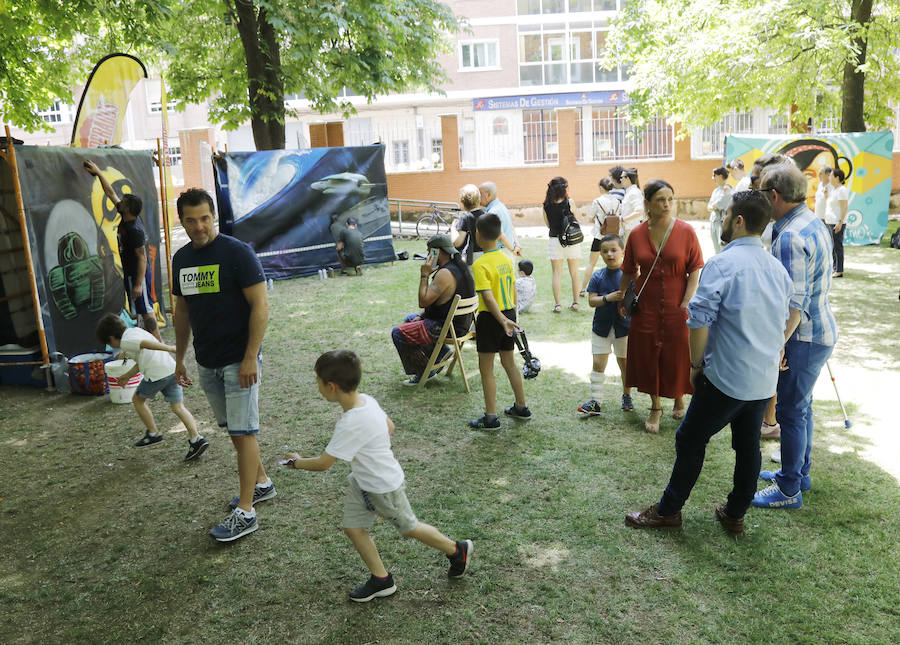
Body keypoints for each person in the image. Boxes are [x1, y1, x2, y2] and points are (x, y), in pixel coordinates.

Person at [625, 191, 793, 536]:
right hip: (762, 379)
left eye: (728, 214)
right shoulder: (776, 267)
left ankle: (669, 510)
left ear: (739, 221)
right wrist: (775, 349)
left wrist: (696, 364)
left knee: (690, 438)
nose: (724, 220)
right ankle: (735, 514)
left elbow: (698, 319)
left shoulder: (722, 264)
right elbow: (791, 313)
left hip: (728, 376)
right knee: (747, 447)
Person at [283, 350, 473, 602]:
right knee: (353, 527)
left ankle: (456, 550)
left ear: (331, 386)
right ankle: (382, 580)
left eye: (317, 382)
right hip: (363, 482)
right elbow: (390, 427)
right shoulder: (366, 400)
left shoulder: (351, 422)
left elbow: (323, 463)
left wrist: (296, 463)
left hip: (384, 487)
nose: (317, 387)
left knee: (410, 528)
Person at [171, 188, 274, 542]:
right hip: (207, 360)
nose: (198, 226)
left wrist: (250, 356)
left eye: (204, 218)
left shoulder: (237, 253)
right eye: (190, 220)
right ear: (181, 220)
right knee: (233, 428)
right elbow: (182, 311)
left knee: (244, 432)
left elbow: (260, 306)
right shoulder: (181, 259)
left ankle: (246, 512)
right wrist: (180, 355)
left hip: (238, 359)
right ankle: (262, 483)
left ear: (213, 216)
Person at [752, 162, 837, 510]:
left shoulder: (788, 236)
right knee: (801, 408)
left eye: (762, 196)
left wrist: (778, 344)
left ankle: (789, 489)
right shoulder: (812, 220)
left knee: (789, 411)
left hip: (803, 336)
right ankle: (799, 473)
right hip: (818, 332)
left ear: (774, 196)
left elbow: (793, 304)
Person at [619, 180, 704, 432]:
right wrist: (623, 297)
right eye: (660, 200)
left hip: (678, 303)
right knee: (647, 354)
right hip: (646, 305)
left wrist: (686, 301)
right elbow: (628, 271)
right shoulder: (636, 234)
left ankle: (679, 395)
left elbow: (695, 269)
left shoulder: (686, 231)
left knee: (677, 353)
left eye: (670, 198)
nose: (666, 204)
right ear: (647, 203)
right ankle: (656, 406)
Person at [95, 313, 207, 459]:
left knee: (138, 400)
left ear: (111, 338)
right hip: (171, 370)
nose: (111, 347)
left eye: (109, 344)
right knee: (178, 407)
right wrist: (126, 376)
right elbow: (142, 359)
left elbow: (144, 344)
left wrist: (170, 348)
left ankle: (153, 433)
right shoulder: (135, 331)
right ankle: (196, 439)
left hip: (156, 375)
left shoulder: (127, 341)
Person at [83, 160, 162, 341]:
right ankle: (148, 342)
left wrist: (138, 284)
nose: (120, 200)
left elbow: (142, 258)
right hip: (131, 273)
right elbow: (110, 193)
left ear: (127, 209)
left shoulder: (134, 230)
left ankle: (161, 345)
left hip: (138, 274)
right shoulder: (126, 217)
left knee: (146, 311)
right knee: (139, 311)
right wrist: (97, 172)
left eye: (123, 201)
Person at [469, 212, 531, 429]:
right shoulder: (506, 258)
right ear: (499, 234)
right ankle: (521, 407)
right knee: (509, 363)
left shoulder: (480, 264)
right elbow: (512, 288)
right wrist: (512, 316)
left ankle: (491, 417)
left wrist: (502, 320)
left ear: (478, 234)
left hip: (491, 319)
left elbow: (487, 296)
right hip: (509, 315)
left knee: (486, 370)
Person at [391, 234, 475, 385]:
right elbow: (441, 304)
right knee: (409, 320)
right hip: (460, 325)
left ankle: (424, 372)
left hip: (447, 328)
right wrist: (422, 316)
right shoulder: (459, 267)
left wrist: (424, 275)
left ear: (437, 252)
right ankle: (441, 351)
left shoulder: (444, 274)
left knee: (398, 333)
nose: (428, 255)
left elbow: (423, 301)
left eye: (429, 251)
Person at [578, 234, 632, 416]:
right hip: (601, 328)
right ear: (600, 254)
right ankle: (596, 401)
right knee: (598, 363)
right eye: (605, 251)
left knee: (624, 363)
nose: (610, 254)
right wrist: (608, 298)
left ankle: (627, 396)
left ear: (623, 252)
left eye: (614, 250)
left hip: (624, 328)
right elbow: (592, 301)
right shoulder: (598, 276)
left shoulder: (630, 275)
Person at [543, 176, 582, 313]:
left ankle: (558, 305)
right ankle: (576, 302)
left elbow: (548, 225)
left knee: (556, 273)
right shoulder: (569, 202)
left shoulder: (546, 205)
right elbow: (576, 219)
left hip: (555, 240)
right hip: (571, 240)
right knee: (574, 272)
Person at [579, 177, 622, 296]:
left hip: (600, 235)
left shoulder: (597, 201)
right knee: (615, 262)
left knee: (591, 263)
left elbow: (590, 218)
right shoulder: (617, 201)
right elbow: (618, 216)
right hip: (613, 236)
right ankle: (617, 286)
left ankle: (583, 289)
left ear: (601, 188)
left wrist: (598, 221)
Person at [455, 184, 516, 265]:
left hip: (473, 257)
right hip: (488, 254)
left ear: (462, 201)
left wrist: (453, 228)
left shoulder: (465, 217)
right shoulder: (487, 214)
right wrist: (513, 248)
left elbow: (457, 242)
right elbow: (503, 234)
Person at [479, 181, 522, 256]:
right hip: (508, 249)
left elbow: (500, 235)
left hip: (502, 252)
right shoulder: (501, 206)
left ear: (488, 194)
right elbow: (511, 227)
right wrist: (516, 245)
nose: (478, 197)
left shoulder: (493, 212)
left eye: (480, 194)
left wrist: (513, 250)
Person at [825, 168, 849, 278]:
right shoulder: (834, 189)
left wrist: (840, 222)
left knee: (837, 246)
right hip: (830, 221)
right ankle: (835, 268)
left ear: (837, 178)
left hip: (837, 222)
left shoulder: (841, 190)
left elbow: (844, 207)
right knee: (833, 246)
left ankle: (839, 270)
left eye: (831, 176)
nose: (829, 178)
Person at [708, 166, 733, 254]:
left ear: (720, 176)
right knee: (716, 248)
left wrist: (714, 206)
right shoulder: (716, 191)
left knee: (722, 246)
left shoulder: (727, 189)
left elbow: (719, 204)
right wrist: (714, 206)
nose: (713, 178)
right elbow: (710, 206)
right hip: (713, 220)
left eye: (714, 175)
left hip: (722, 221)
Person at [618, 168, 644, 240]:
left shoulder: (634, 192)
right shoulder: (629, 192)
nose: (620, 180)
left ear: (628, 178)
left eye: (621, 177)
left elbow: (639, 211)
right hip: (628, 229)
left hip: (632, 229)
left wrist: (623, 219)